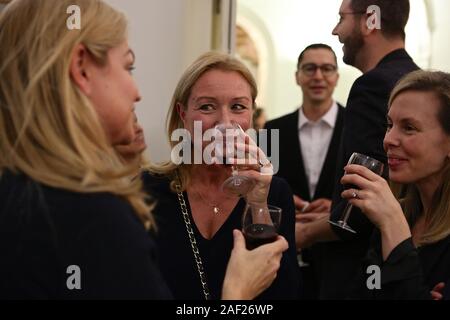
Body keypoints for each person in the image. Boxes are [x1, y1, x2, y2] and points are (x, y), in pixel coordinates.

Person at [0, 0, 288, 299]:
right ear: (81, 68)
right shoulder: (97, 207)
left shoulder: (25, 190)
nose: (136, 92)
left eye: (239, 106)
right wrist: (236, 295)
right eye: (128, 66)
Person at [143, 52, 300, 300]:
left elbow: (285, 292)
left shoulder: (274, 191)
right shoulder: (146, 189)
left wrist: (257, 203)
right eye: (207, 107)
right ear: (183, 114)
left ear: (251, 115)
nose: (224, 122)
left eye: (238, 107)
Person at [296, 0, 420, 299]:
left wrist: (302, 235)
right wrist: (337, 205)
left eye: (342, 18)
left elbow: (361, 210)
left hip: (362, 271)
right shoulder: (417, 79)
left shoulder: (373, 84)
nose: (336, 30)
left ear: (370, 20)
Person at [342, 70, 450, 299]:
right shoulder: (396, 211)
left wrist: (393, 226)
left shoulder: (391, 216)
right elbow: (367, 287)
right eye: (389, 125)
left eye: (409, 127)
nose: (388, 139)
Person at [264, 43, 344, 299]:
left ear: (336, 77)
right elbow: (261, 185)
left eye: (326, 69)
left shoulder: (356, 127)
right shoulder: (271, 129)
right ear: (297, 76)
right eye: (310, 68)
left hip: (338, 257)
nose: (318, 76)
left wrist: (337, 205)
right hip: (285, 255)